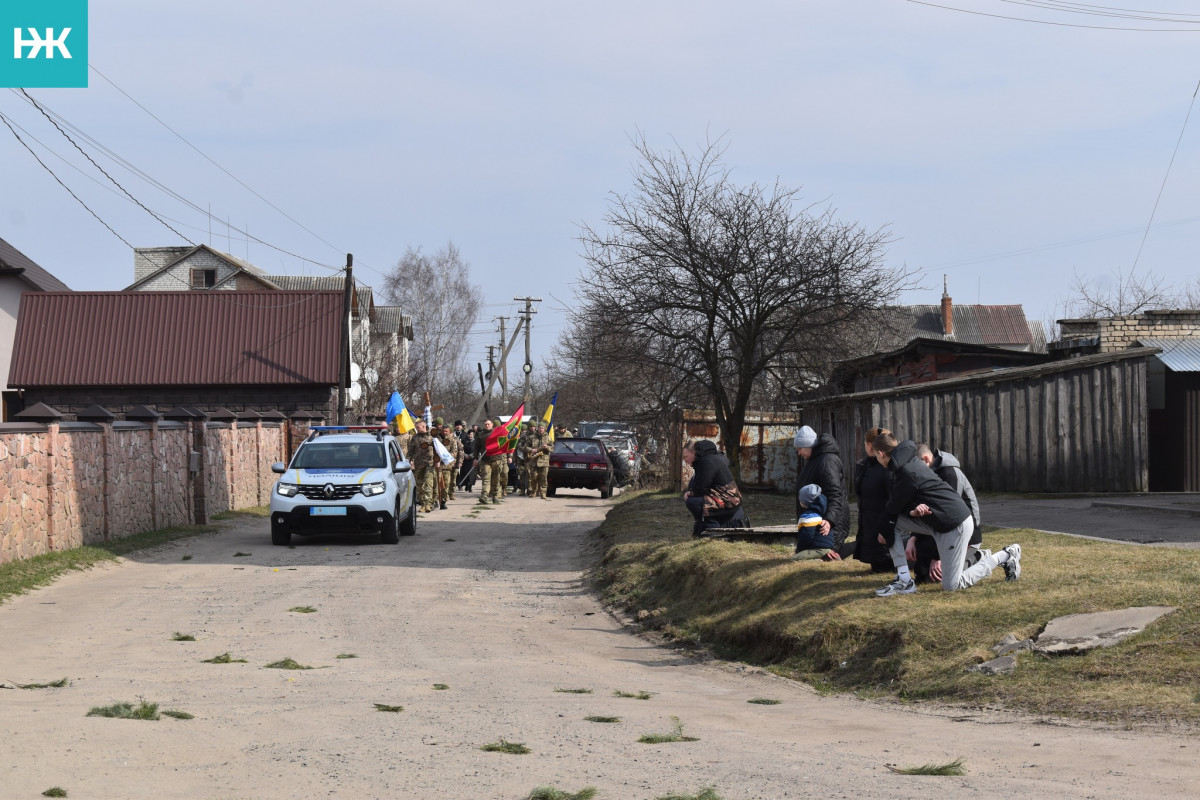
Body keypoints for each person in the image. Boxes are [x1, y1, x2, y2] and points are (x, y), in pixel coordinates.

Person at [871, 432, 1022, 596]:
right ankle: (904, 580)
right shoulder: (907, 464)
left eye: (876, 458)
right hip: (937, 522)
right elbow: (903, 502)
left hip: (955, 524)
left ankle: (1006, 555)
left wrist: (937, 557)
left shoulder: (906, 471)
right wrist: (910, 513)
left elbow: (894, 504)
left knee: (953, 585)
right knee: (890, 524)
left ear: (880, 454)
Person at [907, 443, 983, 583]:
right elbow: (927, 512)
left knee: (940, 577)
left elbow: (947, 518)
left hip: (965, 534)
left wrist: (938, 557)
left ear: (926, 459)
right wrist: (913, 538)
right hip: (940, 530)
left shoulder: (949, 474)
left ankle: (978, 557)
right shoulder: (928, 474)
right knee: (922, 574)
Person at [793, 426, 851, 559]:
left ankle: (857, 548)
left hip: (829, 523)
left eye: (800, 448)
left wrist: (829, 520)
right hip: (819, 520)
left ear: (808, 446)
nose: (798, 453)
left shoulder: (827, 461)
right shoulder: (814, 460)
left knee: (826, 556)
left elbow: (834, 494)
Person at [853, 427, 895, 573]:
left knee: (882, 555)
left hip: (881, 516)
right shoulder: (866, 465)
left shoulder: (884, 467)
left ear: (870, 445)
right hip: (870, 515)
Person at [682, 440, 744, 537]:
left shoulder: (707, 462)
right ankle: (705, 528)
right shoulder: (709, 459)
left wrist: (689, 493)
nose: (685, 460)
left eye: (686, 457)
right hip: (730, 500)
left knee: (692, 502)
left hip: (729, 501)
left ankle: (714, 531)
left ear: (694, 453)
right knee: (697, 501)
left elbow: (700, 488)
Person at [792, 484, 836, 560]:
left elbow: (806, 536)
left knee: (795, 558)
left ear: (805, 501)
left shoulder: (807, 516)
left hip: (817, 549)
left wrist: (799, 550)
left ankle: (820, 559)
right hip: (828, 546)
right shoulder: (823, 512)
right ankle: (828, 555)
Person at [406, 419, 438, 514]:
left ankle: (429, 504)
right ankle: (423, 503)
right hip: (419, 464)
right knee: (419, 485)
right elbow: (410, 451)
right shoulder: (415, 438)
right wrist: (408, 460)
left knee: (428, 484)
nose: (416, 429)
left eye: (418, 427)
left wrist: (438, 461)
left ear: (423, 426)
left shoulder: (432, 436)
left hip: (430, 463)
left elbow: (438, 450)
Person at [474, 418, 506, 504]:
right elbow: (476, 448)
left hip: (496, 459)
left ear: (492, 424)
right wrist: (475, 458)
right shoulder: (480, 435)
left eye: (488, 424)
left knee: (496, 479)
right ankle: (484, 496)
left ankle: (495, 496)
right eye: (485, 424)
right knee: (486, 478)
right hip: (485, 460)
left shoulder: (497, 433)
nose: (487, 426)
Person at [436, 423, 463, 509]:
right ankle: (435, 500)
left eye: (446, 431)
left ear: (449, 431)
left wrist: (444, 458)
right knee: (436, 484)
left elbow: (454, 452)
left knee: (446, 484)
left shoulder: (452, 440)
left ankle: (443, 500)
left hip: (447, 466)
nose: (444, 432)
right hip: (437, 466)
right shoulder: (437, 439)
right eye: (443, 431)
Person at [524, 423, 553, 499]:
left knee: (544, 478)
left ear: (544, 429)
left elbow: (552, 448)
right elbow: (525, 446)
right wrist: (531, 450)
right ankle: (534, 491)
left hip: (544, 461)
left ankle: (543, 493)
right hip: (534, 461)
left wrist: (547, 447)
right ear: (537, 428)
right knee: (534, 477)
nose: (541, 429)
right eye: (540, 428)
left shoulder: (548, 437)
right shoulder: (532, 437)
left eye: (542, 428)